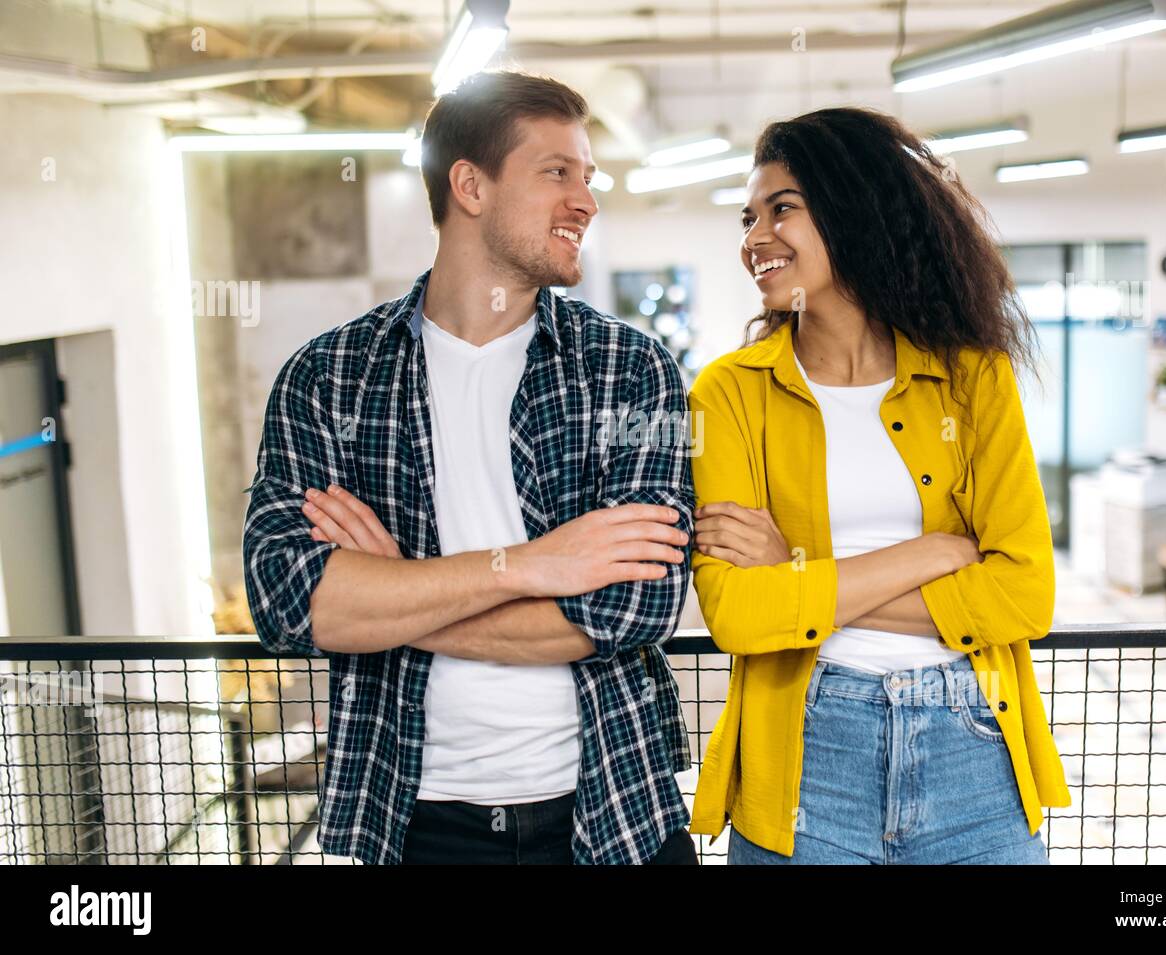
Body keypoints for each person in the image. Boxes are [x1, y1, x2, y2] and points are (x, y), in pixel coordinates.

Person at [242, 70, 698, 865]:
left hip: (612, 812)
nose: (586, 200)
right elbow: (292, 604)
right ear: (470, 185)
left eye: (587, 177)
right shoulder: (330, 378)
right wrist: (534, 565)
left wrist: (396, 592)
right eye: (557, 172)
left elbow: (635, 610)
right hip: (416, 820)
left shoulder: (630, 369)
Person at [686, 107, 1072, 864]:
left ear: (851, 212)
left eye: (782, 210)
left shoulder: (972, 379)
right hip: (806, 757)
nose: (754, 239)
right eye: (747, 218)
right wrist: (935, 550)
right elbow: (734, 611)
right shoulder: (728, 395)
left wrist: (793, 574)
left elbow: (1024, 595)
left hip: (972, 753)